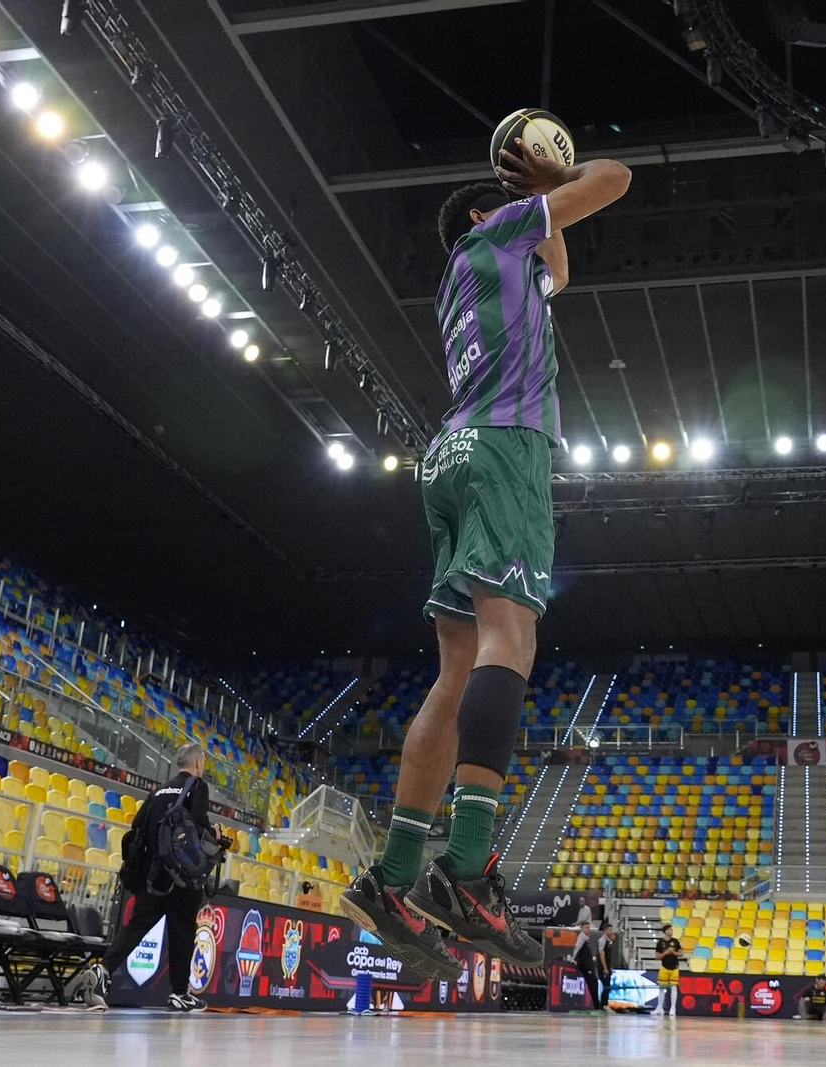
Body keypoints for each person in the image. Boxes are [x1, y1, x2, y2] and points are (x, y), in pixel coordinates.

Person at [338, 139, 631, 977]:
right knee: (513, 640)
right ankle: (465, 866)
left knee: (455, 669)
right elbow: (616, 179)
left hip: (450, 455)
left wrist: (547, 205)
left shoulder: (481, 274)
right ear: (490, 214)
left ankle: (393, 875)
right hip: (506, 449)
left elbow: (561, 274)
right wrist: (554, 178)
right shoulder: (492, 234)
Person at [66, 744, 223, 1012]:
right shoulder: (197, 786)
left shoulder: (159, 790)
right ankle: (179, 993)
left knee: (137, 926)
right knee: (182, 931)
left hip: (152, 875)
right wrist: (215, 835)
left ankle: (103, 969)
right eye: (204, 763)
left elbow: (138, 825)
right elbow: (196, 826)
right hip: (181, 877)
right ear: (197, 764)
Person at [655, 923, 683, 1016]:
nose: (672, 931)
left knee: (673, 987)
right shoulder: (660, 942)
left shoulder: (675, 941)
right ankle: (659, 1008)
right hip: (664, 967)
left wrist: (673, 952)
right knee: (661, 988)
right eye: (670, 930)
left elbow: (681, 954)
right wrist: (665, 953)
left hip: (674, 967)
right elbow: (657, 957)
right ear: (666, 931)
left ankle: (673, 1008)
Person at [573, 920, 601, 1009]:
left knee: (593, 983)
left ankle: (596, 1004)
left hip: (588, 964)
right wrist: (574, 959)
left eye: (589, 928)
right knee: (593, 982)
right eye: (586, 927)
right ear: (582, 928)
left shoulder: (585, 938)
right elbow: (577, 948)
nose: (588, 929)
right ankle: (596, 1005)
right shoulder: (581, 937)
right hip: (586, 966)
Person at [596, 921, 617, 1007]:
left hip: (607, 967)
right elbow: (602, 955)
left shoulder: (608, 941)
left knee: (608, 986)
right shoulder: (602, 940)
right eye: (610, 930)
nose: (611, 931)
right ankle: (603, 1004)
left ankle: (605, 1004)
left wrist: (609, 967)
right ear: (605, 930)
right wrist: (605, 968)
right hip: (603, 968)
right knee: (606, 986)